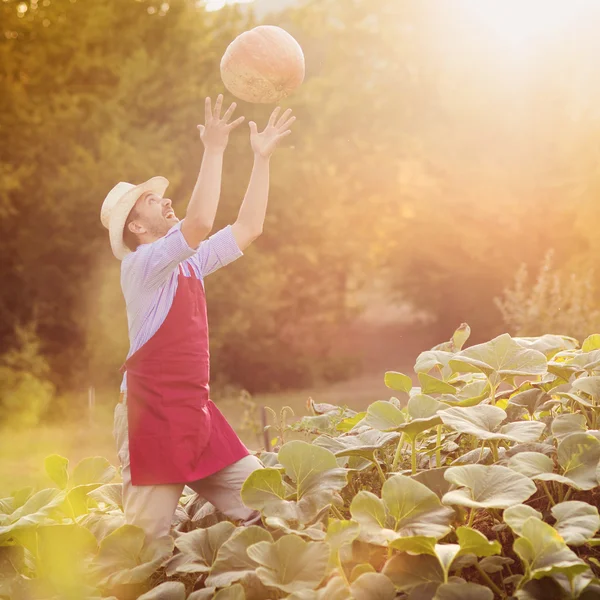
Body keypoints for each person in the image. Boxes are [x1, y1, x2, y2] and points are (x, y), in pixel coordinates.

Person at [99, 95, 295, 540]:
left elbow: (248, 229)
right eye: (152, 202)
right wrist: (215, 148)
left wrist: (261, 159)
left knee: (267, 505)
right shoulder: (142, 265)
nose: (166, 202)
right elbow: (202, 220)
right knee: (145, 548)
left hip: (194, 413)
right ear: (136, 227)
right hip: (148, 418)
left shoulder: (188, 262)